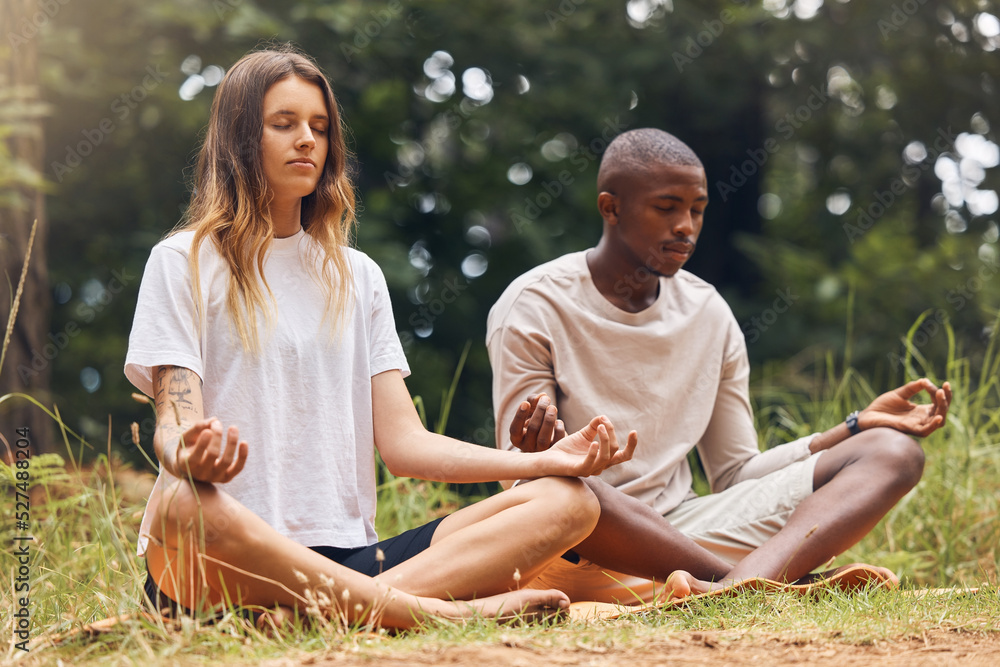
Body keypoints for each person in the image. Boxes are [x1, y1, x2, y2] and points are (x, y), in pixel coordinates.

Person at [124, 46, 639, 630]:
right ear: (240, 138)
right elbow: (174, 421)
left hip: (352, 558)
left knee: (568, 500)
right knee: (181, 503)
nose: (307, 141)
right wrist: (187, 453)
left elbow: (404, 444)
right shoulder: (182, 261)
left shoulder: (357, 275)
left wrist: (545, 460)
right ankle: (432, 613)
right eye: (284, 124)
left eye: (319, 127)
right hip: (225, 557)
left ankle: (317, 619)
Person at [487, 127, 952, 603]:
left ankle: (732, 587)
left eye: (698, 209)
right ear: (611, 208)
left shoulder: (708, 312)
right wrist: (543, 455)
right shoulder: (534, 305)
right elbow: (518, 477)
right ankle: (765, 582)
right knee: (566, 491)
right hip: (579, 534)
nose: (686, 226)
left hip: (686, 532)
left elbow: (735, 473)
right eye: (666, 208)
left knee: (892, 453)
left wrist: (852, 428)